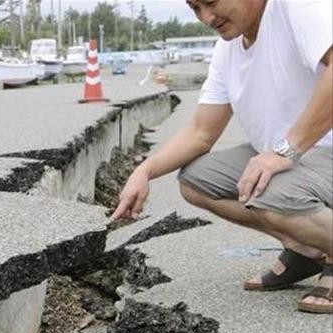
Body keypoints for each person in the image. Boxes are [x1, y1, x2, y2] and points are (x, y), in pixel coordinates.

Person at [111, 0, 332, 314]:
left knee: (270, 192)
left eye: (211, 2)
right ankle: (306, 249)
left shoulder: (295, 7)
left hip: (323, 152)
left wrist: (285, 151)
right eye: (195, 8)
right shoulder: (227, 50)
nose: (206, 17)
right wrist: (144, 172)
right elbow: (201, 132)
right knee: (197, 179)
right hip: (296, 160)